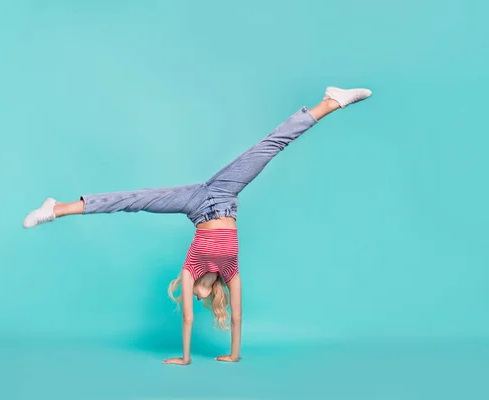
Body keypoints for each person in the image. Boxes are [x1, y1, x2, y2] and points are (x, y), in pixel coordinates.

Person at [22, 86, 372, 365]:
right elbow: (236, 319)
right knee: (268, 148)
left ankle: (330, 101)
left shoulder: (190, 270)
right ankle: (57, 208)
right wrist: (233, 354)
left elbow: (186, 320)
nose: (197, 296)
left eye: (194, 296)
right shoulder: (230, 272)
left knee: (137, 199)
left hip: (196, 205)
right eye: (200, 297)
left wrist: (185, 357)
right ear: (213, 290)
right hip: (222, 196)